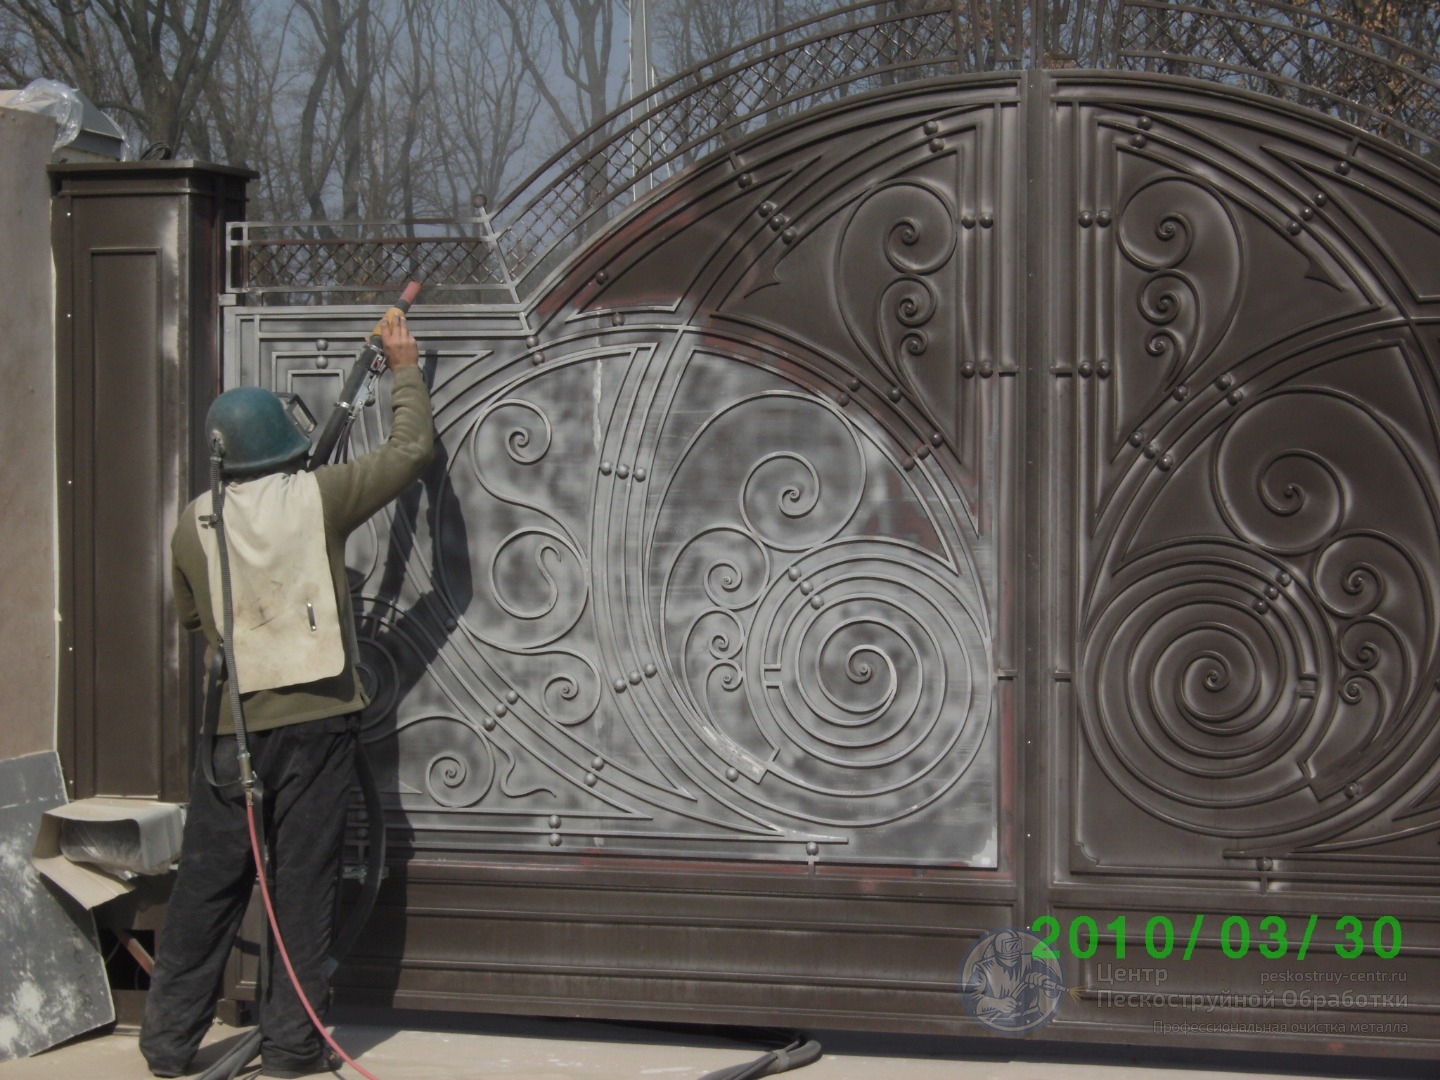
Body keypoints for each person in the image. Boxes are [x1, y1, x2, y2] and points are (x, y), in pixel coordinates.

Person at [140, 312, 433, 1079]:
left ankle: (167, 1045)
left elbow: (195, 620)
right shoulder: (319, 497)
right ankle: (293, 1048)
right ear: (282, 441)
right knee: (302, 885)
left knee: (207, 887)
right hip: (317, 727)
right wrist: (405, 368)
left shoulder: (192, 524)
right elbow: (409, 452)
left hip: (229, 733)